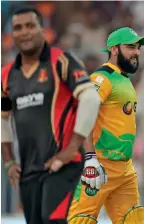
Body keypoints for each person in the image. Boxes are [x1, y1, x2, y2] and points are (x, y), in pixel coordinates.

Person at [1, 6, 101, 224]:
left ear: (42, 30)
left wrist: (73, 148)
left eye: (30, 25)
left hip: (62, 165)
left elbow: (91, 98)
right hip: (28, 170)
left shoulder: (61, 61)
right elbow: (2, 117)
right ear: (12, 34)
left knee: (53, 221)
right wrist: (8, 160)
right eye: (18, 28)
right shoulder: (7, 75)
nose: (24, 32)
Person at [68, 27, 144, 224]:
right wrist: (90, 159)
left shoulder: (123, 79)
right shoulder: (101, 78)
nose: (137, 52)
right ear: (114, 50)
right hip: (100, 166)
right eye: (130, 47)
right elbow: (82, 115)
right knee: (80, 220)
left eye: (138, 47)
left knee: (133, 220)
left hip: (124, 170)